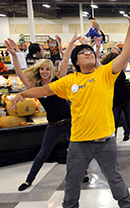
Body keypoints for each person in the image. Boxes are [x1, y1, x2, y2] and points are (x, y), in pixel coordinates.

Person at [9, 8, 130, 208]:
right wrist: (22, 94)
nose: (88, 53)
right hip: (79, 142)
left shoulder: (106, 73)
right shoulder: (68, 81)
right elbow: (44, 91)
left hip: (105, 140)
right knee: (72, 180)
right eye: (83, 53)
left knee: (114, 177)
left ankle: (125, 203)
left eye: (90, 52)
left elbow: (124, 52)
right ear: (76, 61)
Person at [5, 34, 79, 191]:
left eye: (48, 69)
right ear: (38, 71)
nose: (45, 72)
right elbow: (20, 72)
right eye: (42, 69)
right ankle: (29, 180)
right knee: (43, 153)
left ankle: (82, 173)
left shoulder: (58, 80)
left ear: (51, 70)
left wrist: (70, 43)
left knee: (74, 150)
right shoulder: (35, 86)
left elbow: (65, 61)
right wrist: (14, 55)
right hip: (53, 124)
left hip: (69, 121)